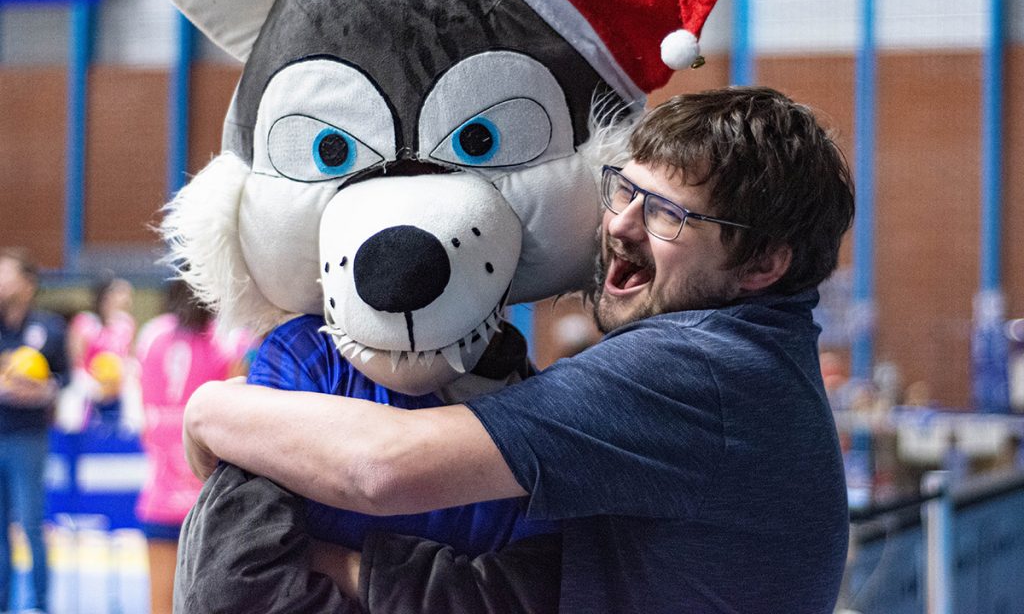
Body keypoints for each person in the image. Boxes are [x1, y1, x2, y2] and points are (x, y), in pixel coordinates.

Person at [183, 87, 856, 613]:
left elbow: (380, 467)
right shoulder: (759, 367)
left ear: (764, 263)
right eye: (625, 189)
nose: (619, 224)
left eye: (666, 214)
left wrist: (212, 409)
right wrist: (342, 569)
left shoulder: (699, 370)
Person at [134, 280, 250, 614]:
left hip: (160, 496)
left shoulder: (151, 334)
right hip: (212, 501)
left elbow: (143, 417)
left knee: (160, 605)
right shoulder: (233, 339)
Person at [0, 247, 69, 614]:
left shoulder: (50, 328)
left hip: (28, 439)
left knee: (30, 524)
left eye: (5, 273)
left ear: (27, 283)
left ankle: (40, 604)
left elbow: (67, 381)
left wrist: (44, 390)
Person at [66, 276, 136, 427]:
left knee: (133, 389)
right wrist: (95, 382)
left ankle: (132, 429)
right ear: (106, 295)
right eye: (121, 293)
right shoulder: (84, 322)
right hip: (90, 380)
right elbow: (76, 359)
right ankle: (75, 431)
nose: (127, 298)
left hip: (118, 381)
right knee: (75, 393)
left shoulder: (126, 323)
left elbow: (129, 356)